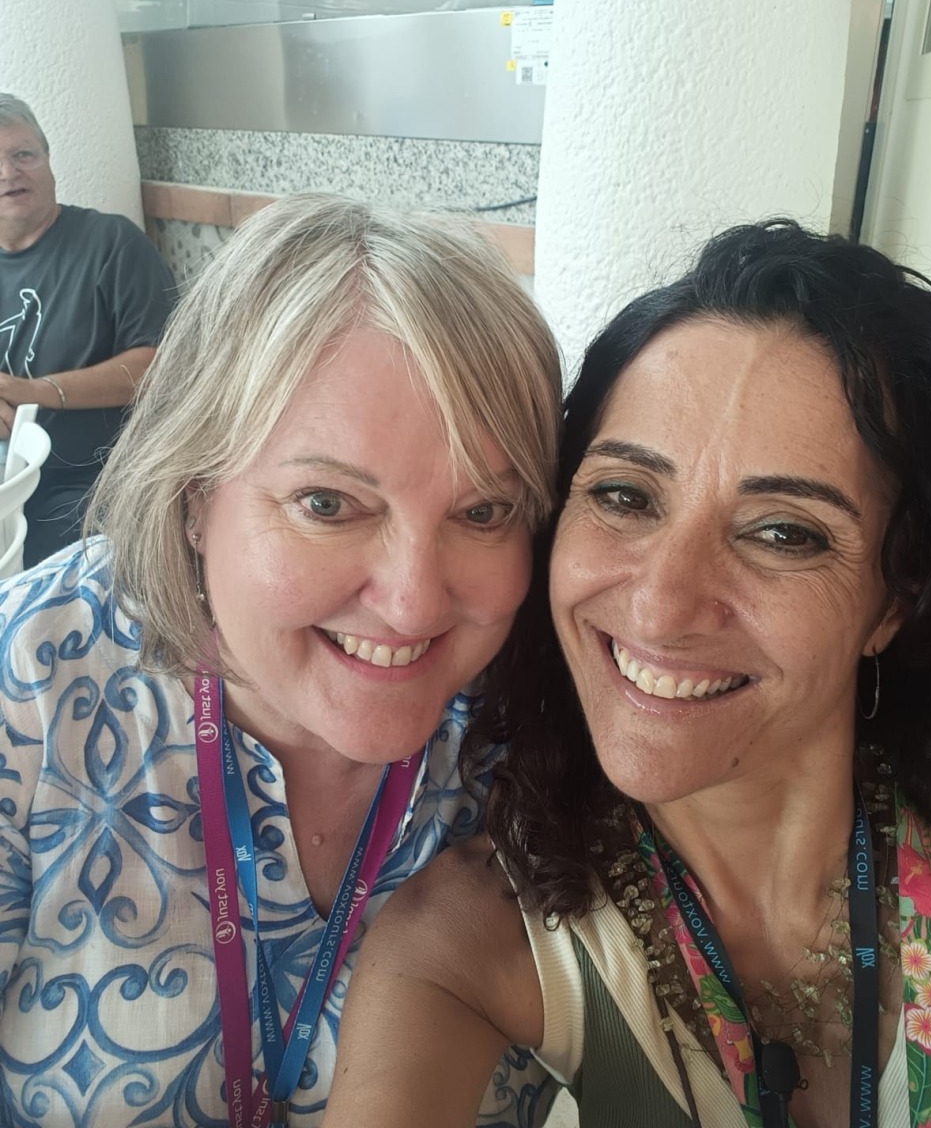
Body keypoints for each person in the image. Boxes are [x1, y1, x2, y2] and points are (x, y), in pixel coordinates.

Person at [323, 219, 931, 1128]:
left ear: (897, 599)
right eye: (624, 496)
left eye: (783, 533)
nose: (663, 608)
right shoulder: (462, 942)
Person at [0, 194, 563, 1127]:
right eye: (328, 505)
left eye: (483, 512)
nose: (416, 602)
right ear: (193, 496)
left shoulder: (545, 731)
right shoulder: (28, 686)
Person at [0, 93, 176, 565]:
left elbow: (161, 366)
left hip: (89, 483)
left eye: (23, 154)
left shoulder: (111, 243)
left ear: (48, 161)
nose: (9, 173)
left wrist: (36, 392)